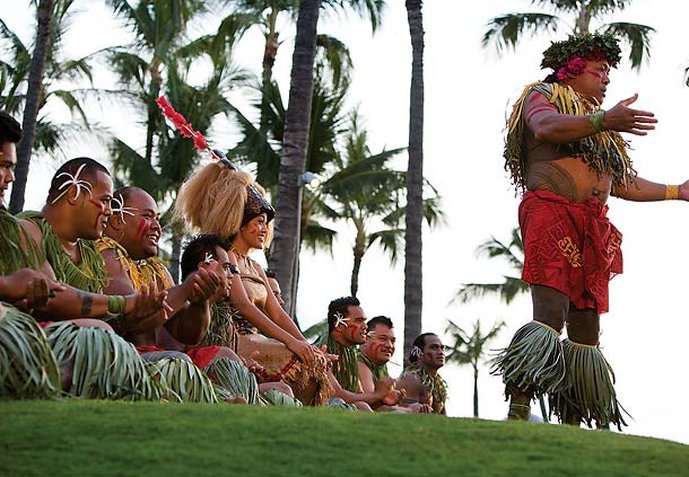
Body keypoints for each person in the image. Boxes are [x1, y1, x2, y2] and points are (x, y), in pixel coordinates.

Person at [491, 32, 688, 430]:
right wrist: (603, 119)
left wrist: (676, 191)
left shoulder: (598, 127)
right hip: (551, 211)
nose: (607, 79)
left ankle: (574, 424)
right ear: (573, 69)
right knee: (551, 311)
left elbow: (620, 182)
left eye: (608, 73)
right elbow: (544, 127)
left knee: (586, 326)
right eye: (600, 71)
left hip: (592, 224)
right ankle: (517, 410)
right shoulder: (543, 95)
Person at [174, 158, 332, 405]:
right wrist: (292, 343)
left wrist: (305, 344)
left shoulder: (257, 267)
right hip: (230, 338)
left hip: (258, 338)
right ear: (240, 222)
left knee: (312, 361)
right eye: (259, 222)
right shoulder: (227, 259)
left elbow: (278, 314)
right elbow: (244, 306)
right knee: (299, 362)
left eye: (266, 223)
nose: (264, 229)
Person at [321, 297, 403, 410]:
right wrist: (378, 395)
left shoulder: (350, 355)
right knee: (361, 407)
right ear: (340, 326)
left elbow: (358, 396)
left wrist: (383, 399)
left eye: (364, 321)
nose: (365, 326)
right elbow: (336, 394)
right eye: (359, 321)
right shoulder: (323, 349)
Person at [397, 333, 447, 415]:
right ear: (419, 353)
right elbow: (403, 415)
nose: (440, 352)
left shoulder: (438, 382)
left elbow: (443, 418)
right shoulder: (412, 378)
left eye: (442, 348)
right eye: (434, 348)